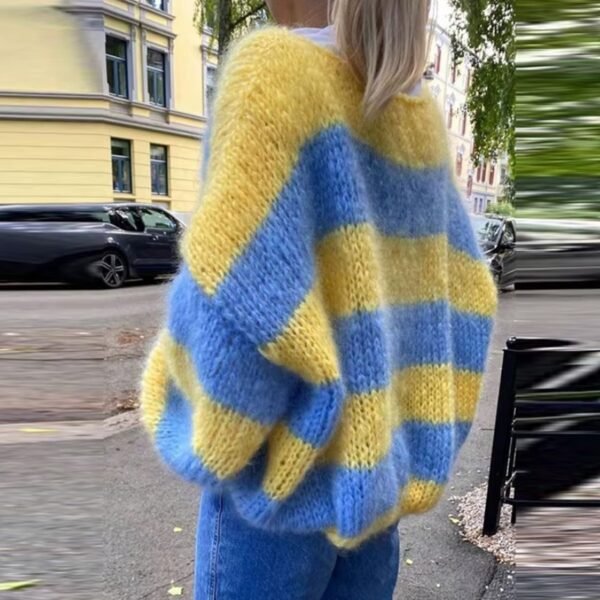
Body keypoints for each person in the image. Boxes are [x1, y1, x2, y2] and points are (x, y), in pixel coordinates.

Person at [140, 1, 497, 598]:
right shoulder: (415, 115)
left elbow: (234, 310)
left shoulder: (276, 70)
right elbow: (468, 302)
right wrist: (409, 447)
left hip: (276, 509)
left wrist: (189, 416)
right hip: (372, 500)